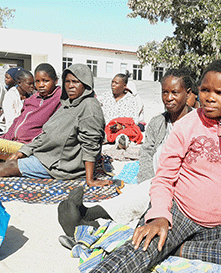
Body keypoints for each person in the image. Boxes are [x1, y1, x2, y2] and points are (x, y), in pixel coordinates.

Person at [22, 59, 221, 273]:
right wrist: (158, 216)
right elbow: (165, 176)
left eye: (220, 93)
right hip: (179, 213)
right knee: (130, 258)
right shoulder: (188, 125)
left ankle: (178, 250)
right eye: (205, 90)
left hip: (219, 224)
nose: (209, 98)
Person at [57, 68, 194, 246]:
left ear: (188, 93)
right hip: (154, 181)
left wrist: (157, 187)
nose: (168, 98)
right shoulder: (158, 122)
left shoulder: (196, 123)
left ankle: (89, 220)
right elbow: (146, 154)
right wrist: (148, 181)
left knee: (142, 205)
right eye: (164, 92)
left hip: (177, 184)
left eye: (174, 93)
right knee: (134, 195)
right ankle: (86, 219)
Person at [0, 64, 111, 187]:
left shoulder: (89, 108)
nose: (70, 86)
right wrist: (24, 151)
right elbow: (47, 133)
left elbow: (91, 144)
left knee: (7, 168)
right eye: (67, 82)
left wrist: (90, 180)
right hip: (47, 154)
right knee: (10, 159)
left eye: (75, 82)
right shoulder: (69, 103)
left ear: (86, 84)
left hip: (61, 164)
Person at [0, 63, 61, 160]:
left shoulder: (59, 98)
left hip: (28, 147)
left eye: (45, 81)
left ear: (56, 81)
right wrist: (5, 138)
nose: (41, 85)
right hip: (14, 141)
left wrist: (28, 147)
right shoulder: (33, 98)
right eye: (37, 81)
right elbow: (17, 122)